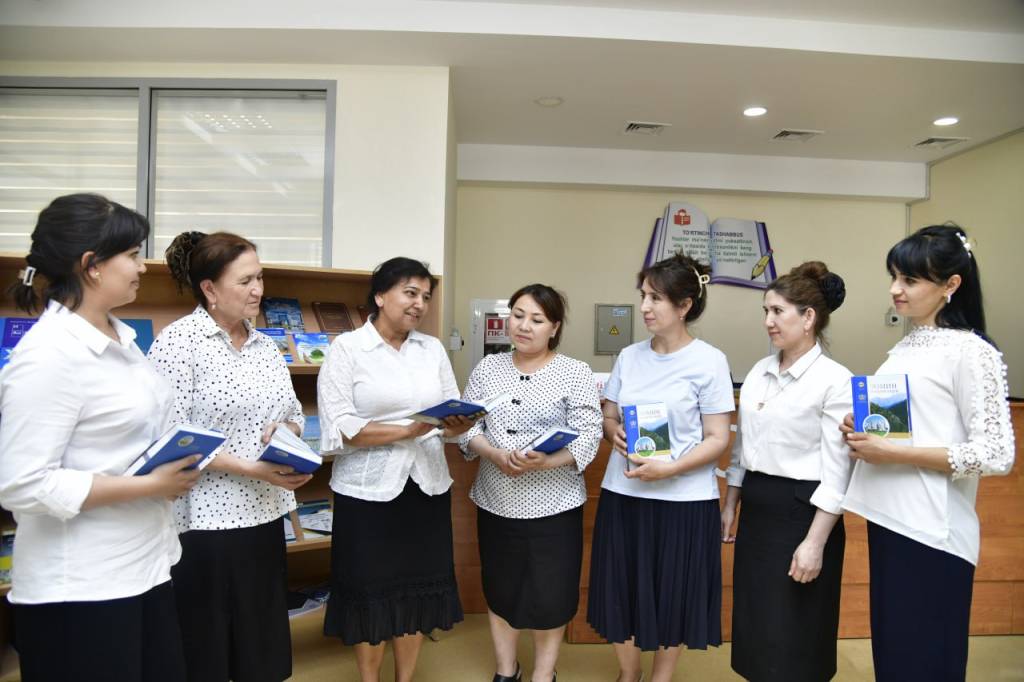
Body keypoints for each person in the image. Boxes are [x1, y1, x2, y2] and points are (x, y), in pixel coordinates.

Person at [0, 194, 200, 682]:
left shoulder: (122, 339)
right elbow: (21, 484)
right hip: (82, 587)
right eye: (131, 255)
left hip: (145, 565)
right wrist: (150, 485)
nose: (142, 266)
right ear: (91, 265)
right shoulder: (49, 355)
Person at [840, 224, 1015, 682]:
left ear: (950, 284)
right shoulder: (906, 346)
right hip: (890, 520)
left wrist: (894, 453)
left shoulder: (971, 352)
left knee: (924, 661)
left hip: (934, 532)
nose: (895, 289)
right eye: (894, 277)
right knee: (896, 658)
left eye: (910, 280)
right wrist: (865, 432)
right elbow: (908, 431)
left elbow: (996, 454)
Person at [148, 231, 311, 682]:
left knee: (261, 646)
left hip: (264, 512)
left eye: (260, 277)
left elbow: (294, 413)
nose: (258, 290)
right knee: (207, 649)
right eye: (245, 281)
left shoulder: (266, 347)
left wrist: (288, 432)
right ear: (210, 289)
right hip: (205, 521)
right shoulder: (178, 343)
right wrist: (252, 468)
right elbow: (172, 437)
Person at [317, 256, 472, 682]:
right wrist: (409, 430)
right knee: (369, 593)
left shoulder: (432, 349)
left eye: (426, 296)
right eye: (410, 293)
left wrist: (457, 423)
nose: (419, 304)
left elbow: (449, 407)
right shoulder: (347, 349)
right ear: (381, 296)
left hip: (426, 487)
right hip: (367, 493)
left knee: (416, 592)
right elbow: (340, 427)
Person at [587, 253, 734, 682]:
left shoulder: (709, 361)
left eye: (655, 298)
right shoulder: (629, 356)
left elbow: (718, 438)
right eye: (643, 296)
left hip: (683, 500)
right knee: (621, 588)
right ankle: (629, 672)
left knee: (675, 594)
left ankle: (661, 677)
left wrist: (671, 470)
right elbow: (609, 414)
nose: (645, 307)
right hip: (625, 493)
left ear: (684, 305)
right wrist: (612, 431)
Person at [459, 284, 603, 682]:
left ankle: (543, 673)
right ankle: (507, 669)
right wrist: (493, 454)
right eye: (518, 315)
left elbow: (589, 434)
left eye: (537, 320)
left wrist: (547, 461)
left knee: (551, 595)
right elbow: (467, 428)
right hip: (496, 501)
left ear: (554, 328)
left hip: (554, 506)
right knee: (500, 587)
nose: (524, 326)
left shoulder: (574, 372)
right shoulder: (488, 368)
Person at [721, 261, 853, 682]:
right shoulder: (759, 372)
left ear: (808, 317)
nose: (768, 321)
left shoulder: (835, 380)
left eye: (778, 311)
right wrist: (731, 503)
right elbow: (742, 446)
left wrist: (815, 543)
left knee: (797, 627)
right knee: (758, 624)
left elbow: (839, 472)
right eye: (766, 311)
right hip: (758, 509)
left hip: (804, 512)